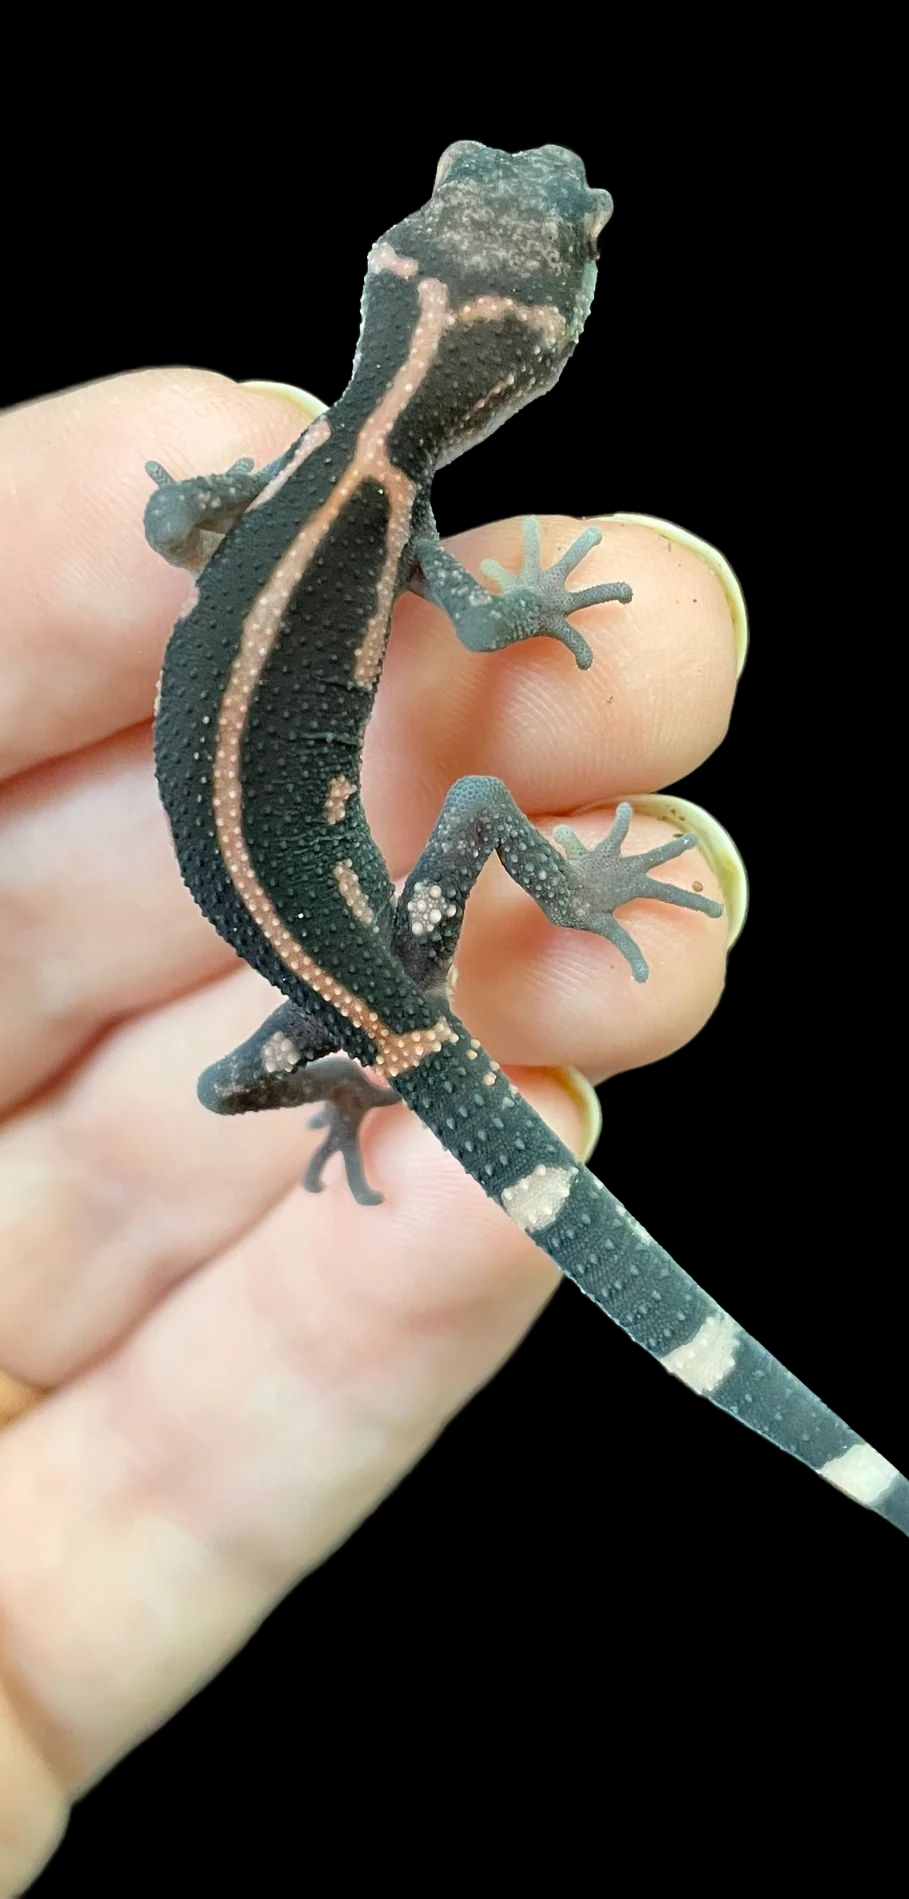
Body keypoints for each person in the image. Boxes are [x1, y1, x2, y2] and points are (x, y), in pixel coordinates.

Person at [0, 369, 747, 1891]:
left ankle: (363, 1067)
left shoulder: (293, 479)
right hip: (363, 967)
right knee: (474, 796)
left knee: (326, 990)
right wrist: (524, 617)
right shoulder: (396, 508)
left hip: (343, 968)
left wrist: (203, 508)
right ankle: (545, 929)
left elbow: (165, 519)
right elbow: (481, 630)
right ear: (524, 372)